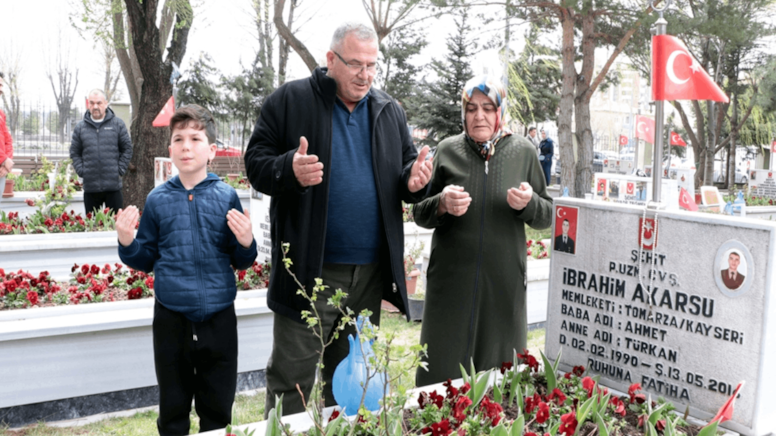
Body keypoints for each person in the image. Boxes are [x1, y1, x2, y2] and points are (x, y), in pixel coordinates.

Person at [244, 22, 433, 417]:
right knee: (291, 386)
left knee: (354, 386)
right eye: (355, 64)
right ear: (331, 59)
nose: (365, 75)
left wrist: (413, 181)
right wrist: (288, 170)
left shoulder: (388, 110)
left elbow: (403, 173)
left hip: (367, 277)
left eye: (372, 65)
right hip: (310, 275)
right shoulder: (290, 100)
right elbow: (256, 165)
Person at [116, 105, 258, 435]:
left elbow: (242, 259)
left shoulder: (226, 196)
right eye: (178, 139)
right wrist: (127, 242)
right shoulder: (157, 199)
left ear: (211, 150)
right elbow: (146, 257)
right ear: (170, 150)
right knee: (173, 409)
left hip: (219, 318)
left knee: (218, 409)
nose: (186, 146)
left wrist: (247, 241)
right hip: (171, 319)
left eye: (195, 138)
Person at [412, 75, 553, 386]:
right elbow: (419, 211)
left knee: (499, 382)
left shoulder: (524, 152)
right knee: (440, 378)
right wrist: (442, 204)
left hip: (504, 287)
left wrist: (529, 204)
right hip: (450, 287)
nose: (479, 116)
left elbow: (548, 217)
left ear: (499, 112)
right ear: (463, 113)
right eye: (472, 108)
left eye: (488, 108)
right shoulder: (447, 150)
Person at [70, 89, 133, 213]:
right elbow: (75, 152)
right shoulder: (80, 128)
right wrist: (82, 171)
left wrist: (119, 170)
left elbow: (127, 149)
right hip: (91, 189)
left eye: (99, 103)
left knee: (115, 227)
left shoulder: (117, 124)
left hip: (113, 188)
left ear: (105, 103)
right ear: (88, 104)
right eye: (92, 103)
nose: (95, 106)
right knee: (93, 228)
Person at [0, 72, 14, 202]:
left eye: (1, 85)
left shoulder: (1, 114)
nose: (1, 89)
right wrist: (4, 159)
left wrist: (6, 163)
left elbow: (8, 140)